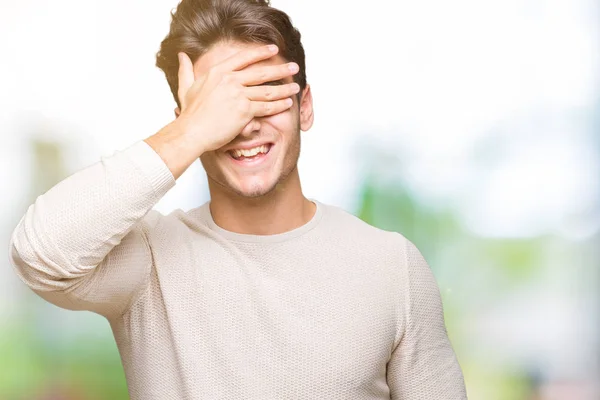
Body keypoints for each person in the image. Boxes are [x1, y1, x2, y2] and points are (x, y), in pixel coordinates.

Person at [8, 0, 468, 398]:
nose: (244, 123)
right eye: (223, 104)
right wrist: (189, 132)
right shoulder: (149, 263)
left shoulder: (391, 266)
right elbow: (39, 253)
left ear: (303, 106)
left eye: (264, 93)